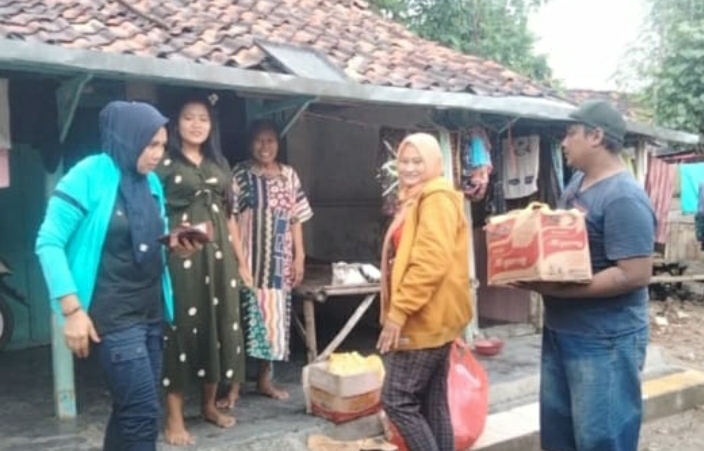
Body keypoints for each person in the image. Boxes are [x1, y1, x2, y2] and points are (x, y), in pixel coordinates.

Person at [35, 101, 197, 451]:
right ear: (127, 138)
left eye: (161, 145)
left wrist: (174, 244)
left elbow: (143, 238)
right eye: (150, 144)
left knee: (129, 409)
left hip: (150, 311)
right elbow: (48, 241)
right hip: (113, 313)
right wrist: (72, 310)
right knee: (142, 414)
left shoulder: (150, 182)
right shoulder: (89, 174)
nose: (157, 154)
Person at [521, 100, 656, 451]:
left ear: (596, 136)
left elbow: (635, 274)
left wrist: (561, 292)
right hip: (562, 331)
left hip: (604, 340)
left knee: (601, 440)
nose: (564, 142)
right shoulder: (578, 183)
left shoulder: (624, 197)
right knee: (559, 436)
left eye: (570, 133)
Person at [156, 95, 252, 445]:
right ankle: (175, 418)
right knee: (182, 329)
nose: (196, 124)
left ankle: (209, 406)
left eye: (203, 119)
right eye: (188, 118)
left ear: (211, 126)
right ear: (176, 123)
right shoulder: (164, 163)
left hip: (220, 258)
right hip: (182, 258)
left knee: (220, 325)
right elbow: (154, 213)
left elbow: (229, 219)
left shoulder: (219, 163)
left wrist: (242, 263)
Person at [376, 133, 472, 451]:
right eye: (404, 160)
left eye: (418, 161)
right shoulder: (418, 198)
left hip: (425, 316)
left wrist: (398, 311)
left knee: (397, 400)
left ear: (433, 163)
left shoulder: (437, 198)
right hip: (434, 314)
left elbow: (430, 261)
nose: (409, 168)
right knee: (433, 402)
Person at [218, 119, 313, 407]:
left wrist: (300, 256)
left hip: (279, 264)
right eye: (259, 140)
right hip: (249, 261)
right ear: (250, 144)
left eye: (270, 140)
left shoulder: (288, 175)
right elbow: (229, 217)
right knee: (242, 322)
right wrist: (240, 260)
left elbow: (296, 218)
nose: (265, 147)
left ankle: (263, 380)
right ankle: (233, 387)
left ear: (278, 144)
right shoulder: (241, 174)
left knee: (272, 323)